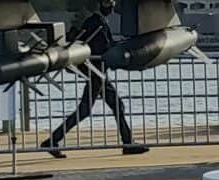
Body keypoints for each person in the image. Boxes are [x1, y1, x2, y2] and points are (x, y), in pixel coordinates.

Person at [42, 11, 146, 157]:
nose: (111, 7)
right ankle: (53, 140)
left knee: (116, 105)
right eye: (108, 3)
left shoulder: (95, 21)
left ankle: (128, 142)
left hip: (97, 71)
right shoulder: (97, 23)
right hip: (96, 71)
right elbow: (103, 47)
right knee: (89, 109)